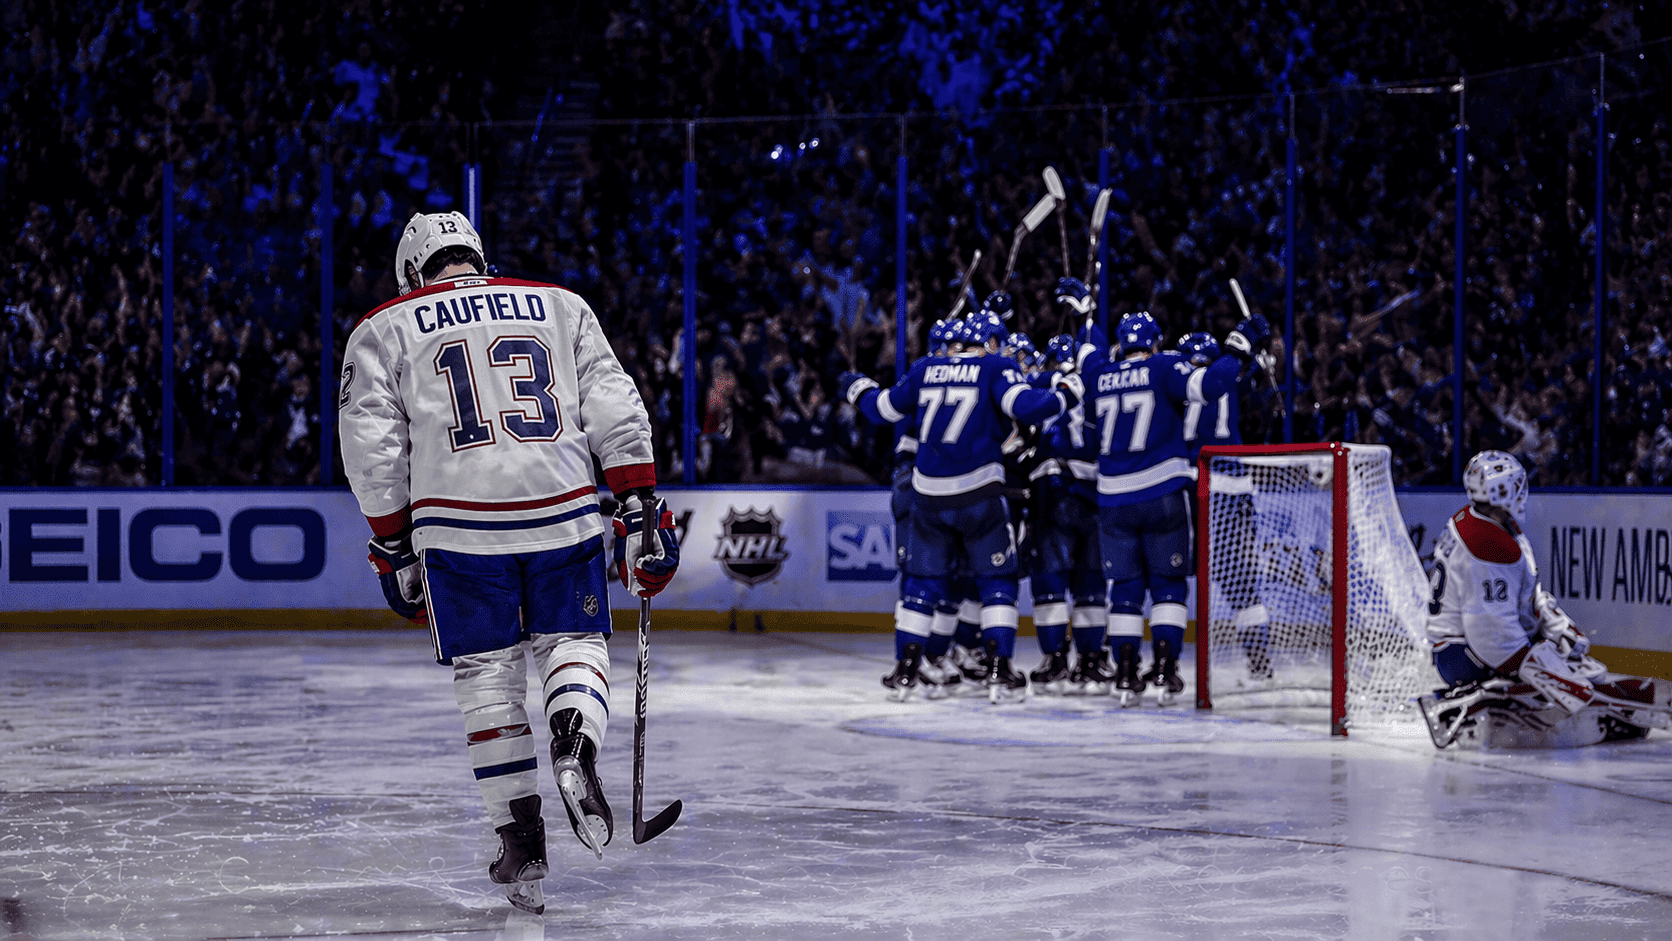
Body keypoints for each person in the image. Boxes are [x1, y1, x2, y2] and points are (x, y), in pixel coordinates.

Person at [338, 212, 680, 914]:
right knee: (574, 642)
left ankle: (522, 843)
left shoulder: (384, 326)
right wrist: (639, 502)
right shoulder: (561, 304)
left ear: (413, 272)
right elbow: (615, 403)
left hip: (457, 523)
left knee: (487, 677)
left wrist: (391, 541)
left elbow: (373, 447)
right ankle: (575, 736)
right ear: (476, 255)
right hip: (563, 506)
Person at [842, 310, 1080, 703]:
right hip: (979, 494)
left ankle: (906, 670)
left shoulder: (925, 367)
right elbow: (1029, 407)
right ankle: (999, 670)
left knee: (921, 584)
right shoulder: (994, 367)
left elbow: (881, 409)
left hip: (928, 495)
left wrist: (856, 387)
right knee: (996, 582)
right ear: (984, 344)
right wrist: (1069, 390)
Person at [1421, 450, 1669, 748]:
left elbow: (1524, 593)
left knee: (1568, 667)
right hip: (1462, 655)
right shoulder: (1488, 544)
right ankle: (1465, 706)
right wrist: (1546, 668)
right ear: (1502, 491)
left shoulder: (1483, 521)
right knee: (1567, 686)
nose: (1523, 492)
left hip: (1456, 647)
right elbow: (1491, 634)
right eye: (1516, 485)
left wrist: (1554, 625)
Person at [1083, 310, 1266, 706]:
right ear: (1154, 343)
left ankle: (1126, 674)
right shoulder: (1170, 370)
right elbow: (1219, 384)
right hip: (1192, 487)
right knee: (1213, 582)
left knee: (1126, 589)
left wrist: (1087, 317)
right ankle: (1194, 667)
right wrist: (1241, 350)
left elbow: (1088, 360)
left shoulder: (1101, 374)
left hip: (1116, 495)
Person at [1177, 332, 1272, 680]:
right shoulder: (1230, 381)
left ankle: (1163, 663)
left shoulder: (1181, 381)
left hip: (1192, 482)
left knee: (1168, 574)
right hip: (1234, 486)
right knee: (1240, 581)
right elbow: (1262, 414)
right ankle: (1259, 660)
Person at [1028, 331, 1110, 694]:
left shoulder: (1039, 382)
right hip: (1094, 489)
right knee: (1090, 581)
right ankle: (1092, 661)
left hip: (1053, 486)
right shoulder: (1098, 383)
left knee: (1050, 581)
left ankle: (1054, 659)